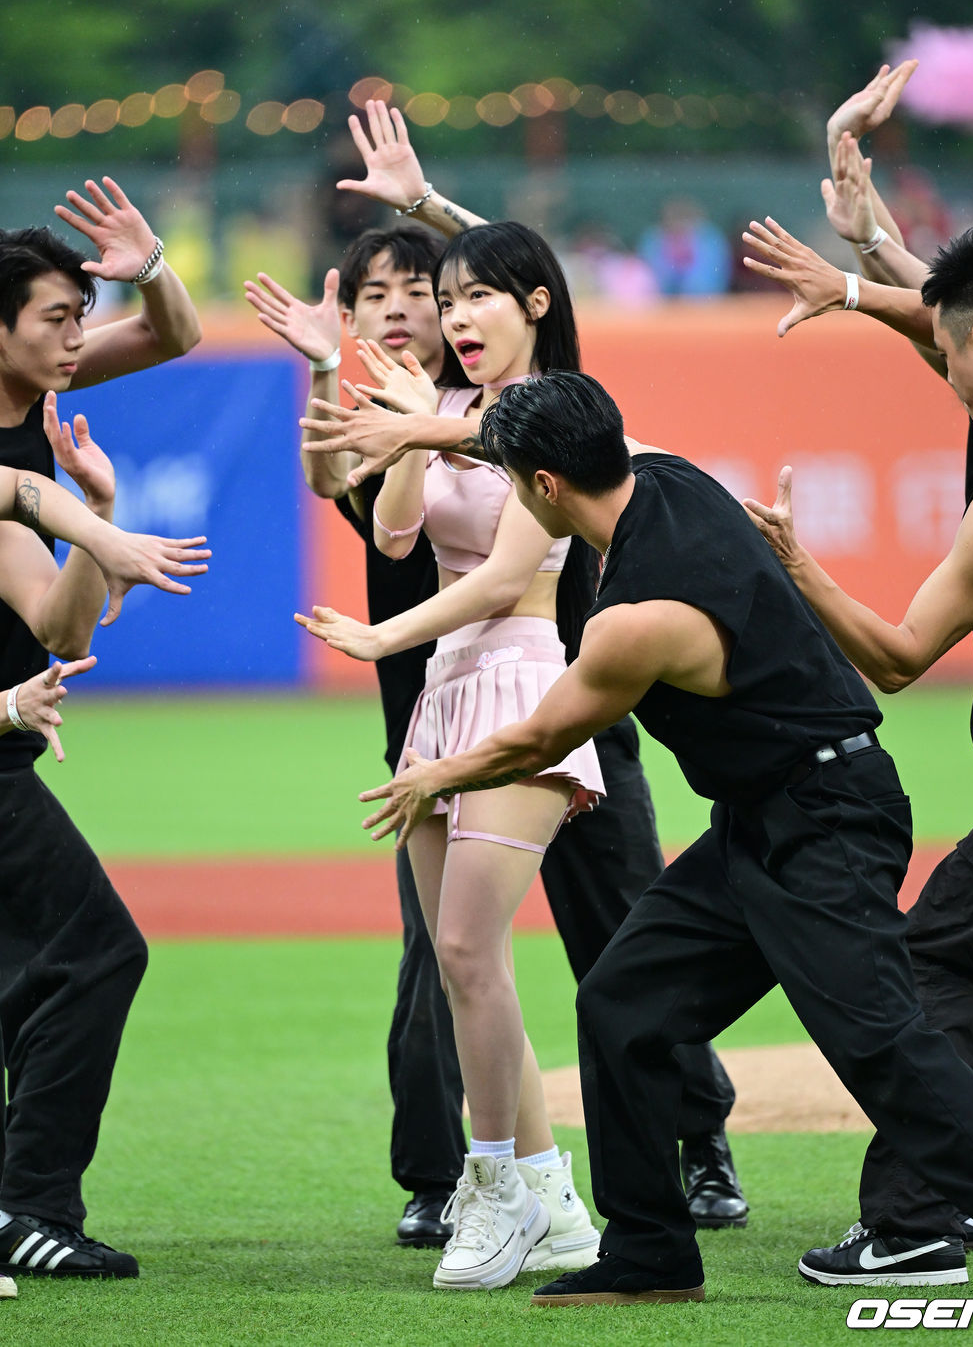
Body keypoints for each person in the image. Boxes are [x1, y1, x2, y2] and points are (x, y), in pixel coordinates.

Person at [357, 371, 973, 1321]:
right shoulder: (666, 474)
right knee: (624, 1003)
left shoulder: (637, 620)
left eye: (510, 481)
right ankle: (648, 1251)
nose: (505, 494)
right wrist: (435, 429)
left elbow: (539, 741)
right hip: (757, 819)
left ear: (545, 487)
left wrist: (433, 776)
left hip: (828, 815)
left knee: (882, 1041)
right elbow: (534, 455)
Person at [253, 101, 747, 1242]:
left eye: (430, 290)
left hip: (575, 698)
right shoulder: (405, 406)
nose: (416, 308)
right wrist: (351, 377)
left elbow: (537, 297)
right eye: (383, 292)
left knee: (621, 930)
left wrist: (431, 209)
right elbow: (373, 512)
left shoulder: (544, 409)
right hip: (435, 711)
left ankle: (690, 1139)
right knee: (448, 956)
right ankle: (460, 1174)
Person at [737, 128, 973, 1290]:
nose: (943, 377)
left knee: (938, 962)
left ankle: (915, 1216)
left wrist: (795, 563)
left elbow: (902, 656)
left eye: (953, 358)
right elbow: (962, 321)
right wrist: (872, 258)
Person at [0, 188, 204, 1280]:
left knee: (33, 970)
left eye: (86, 313)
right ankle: (29, 1204)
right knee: (96, 951)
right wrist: (94, 526)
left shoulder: (42, 392)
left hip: (6, 732)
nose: (77, 335)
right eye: (56, 315)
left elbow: (58, 629)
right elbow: (18, 496)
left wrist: (150, 262)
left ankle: (20, 1202)